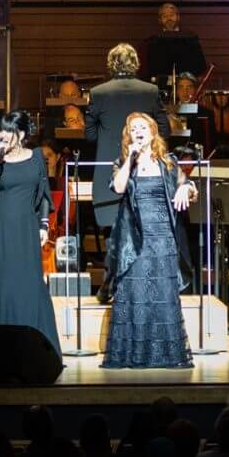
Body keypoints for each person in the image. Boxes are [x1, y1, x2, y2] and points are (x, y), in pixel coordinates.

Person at [102, 112, 195, 369]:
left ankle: (165, 353)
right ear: (128, 136)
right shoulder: (123, 162)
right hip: (134, 237)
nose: (139, 132)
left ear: (153, 133)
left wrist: (186, 188)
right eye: (133, 129)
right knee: (136, 292)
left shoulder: (168, 161)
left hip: (163, 236)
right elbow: (118, 188)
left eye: (143, 127)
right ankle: (135, 353)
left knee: (162, 292)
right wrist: (130, 159)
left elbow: (189, 185)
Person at [0, 111, 58, 351]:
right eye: (1, 130)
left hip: (26, 228)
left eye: (9, 131)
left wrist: (44, 224)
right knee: (2, 285)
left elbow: (43, 194)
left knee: (28, 284)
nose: (3, 135)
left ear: (21, 134)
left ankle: (36, 348)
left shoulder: (37, 157)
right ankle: (1, 349)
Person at [84, 44, 163, 232]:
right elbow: (164, 130)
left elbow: (90, 134)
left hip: (108, 173)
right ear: (135, 64)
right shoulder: (150, 91)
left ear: (111, 65)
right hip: (145, 172)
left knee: (112, 238)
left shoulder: (98, 93)